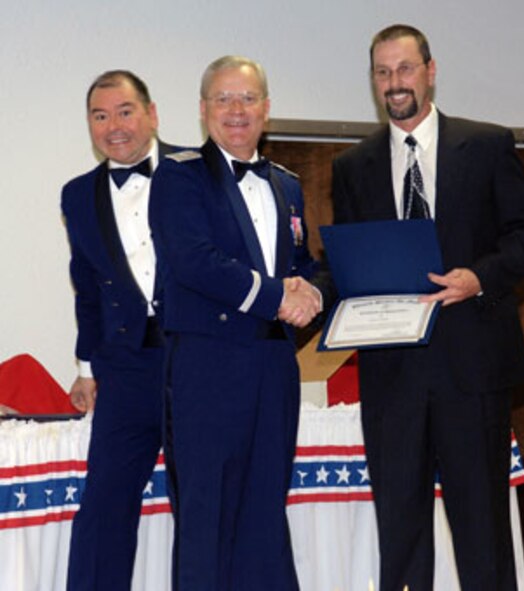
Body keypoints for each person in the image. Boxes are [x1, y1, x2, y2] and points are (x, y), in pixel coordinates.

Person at [330, 24, 524, 591]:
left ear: (430, 71)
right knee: (399, 533)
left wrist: (479, 277)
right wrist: (309, 291)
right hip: (391, 377)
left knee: (482, 532)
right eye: (383, 72)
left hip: (473, 370)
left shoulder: (486, 144)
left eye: (404, 69)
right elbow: (348, 265)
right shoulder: (353, 166)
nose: (394, 83)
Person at [149, 55, 324, 591]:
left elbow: (300, 264)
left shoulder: (286, 184)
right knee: (206, 514)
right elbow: (194, 260)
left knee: (266, 509)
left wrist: (313, 292)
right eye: (223, 99)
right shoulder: (179, 176)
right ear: (203, 110)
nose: (236, 110)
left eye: (247, 99)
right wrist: (278, 297)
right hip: (207, 363)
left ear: (266, 110)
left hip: (273, 367)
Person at [61, 70, 187, 591]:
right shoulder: (76, 195)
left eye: (125, 111)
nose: (114, 126)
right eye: (100, 115)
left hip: (196, 362)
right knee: (103, 509)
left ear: (152, 114)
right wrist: (85, 367)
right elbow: (87, 287)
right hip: (124, 371)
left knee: (202, 507)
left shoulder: (196, 170)